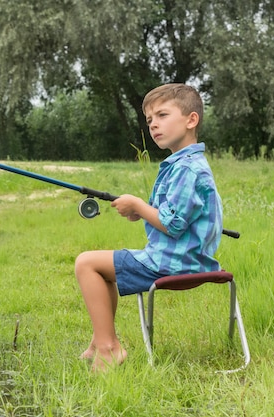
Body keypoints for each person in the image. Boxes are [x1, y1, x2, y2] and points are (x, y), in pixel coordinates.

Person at [74, 83, 223, 372]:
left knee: (86, 263)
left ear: (191, 120)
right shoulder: (185, 164)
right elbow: (169, 215)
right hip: (193, 262)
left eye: (163, 115)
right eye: (149, 119)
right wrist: (137, 212)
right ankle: (99, 341)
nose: (154, 124)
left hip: (173, 264)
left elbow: (174, 225)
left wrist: (140, 206)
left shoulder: (187, 169)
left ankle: (109, 348)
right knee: (102, 269)